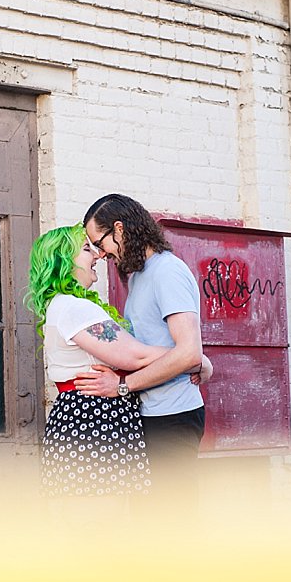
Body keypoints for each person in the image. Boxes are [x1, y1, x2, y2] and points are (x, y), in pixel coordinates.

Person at [24, 224, 209, 500]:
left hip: (88, 421)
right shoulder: (74, 307)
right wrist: (194, 356)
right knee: (103, 522)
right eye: (87, 249)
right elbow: (137, 355)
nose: (97, 256)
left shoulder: (64, 305)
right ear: (63, 260)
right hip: (93, 424)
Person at [76, 194, 208, 500]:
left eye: (101, 242)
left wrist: (122, 386)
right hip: (151, 412)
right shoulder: (139, 276)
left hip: (173, 417)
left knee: (171, 518)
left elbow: (188, 351)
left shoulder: (167, 272)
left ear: (119, 229)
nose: (101, 253)